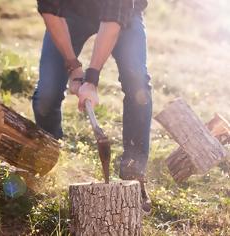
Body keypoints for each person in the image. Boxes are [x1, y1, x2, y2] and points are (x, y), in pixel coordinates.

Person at [33, 0, 152, 212]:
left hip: (123, 14)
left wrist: (91, 80)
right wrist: (73, 66)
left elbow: (113, 19)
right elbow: (49, 10)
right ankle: (46, 159)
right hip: (69, 12)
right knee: (46, 95)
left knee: (137, 83)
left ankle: (134, 173)